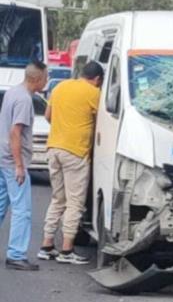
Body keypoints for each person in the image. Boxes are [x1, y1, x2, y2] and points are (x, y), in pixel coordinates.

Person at [38, 61, 103, 265]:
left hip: (53, 148)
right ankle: (67, 250)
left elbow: (48, 116)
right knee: (75, 202)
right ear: (98, 80)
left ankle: (46, 246)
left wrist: (63, 128)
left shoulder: (61, 87)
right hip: (75, 152)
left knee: (58, 199)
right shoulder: (93, 93)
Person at [0, 61, 48, 271]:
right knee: (22, 210)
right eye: (46, 77)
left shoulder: (12, 93)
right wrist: (20, 165)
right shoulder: (24, 100)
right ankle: (16, 254)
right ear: (36, 79)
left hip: (3, 158)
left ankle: (15, 253)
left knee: (1, 206)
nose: (47, 81)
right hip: (12, 162)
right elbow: (15, 132)